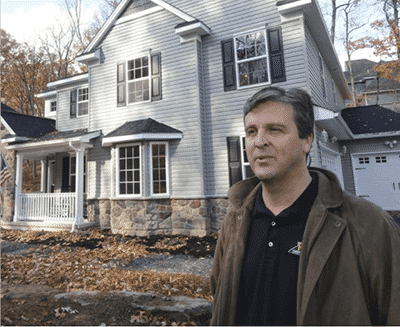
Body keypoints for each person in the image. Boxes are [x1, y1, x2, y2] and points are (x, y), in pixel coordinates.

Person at [210, 86, 400, 326]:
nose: (259, 142)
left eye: (274, 130)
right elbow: (220, 299)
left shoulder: (367, 224)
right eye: (251, 131)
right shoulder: (236, 220)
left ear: (306, 140)